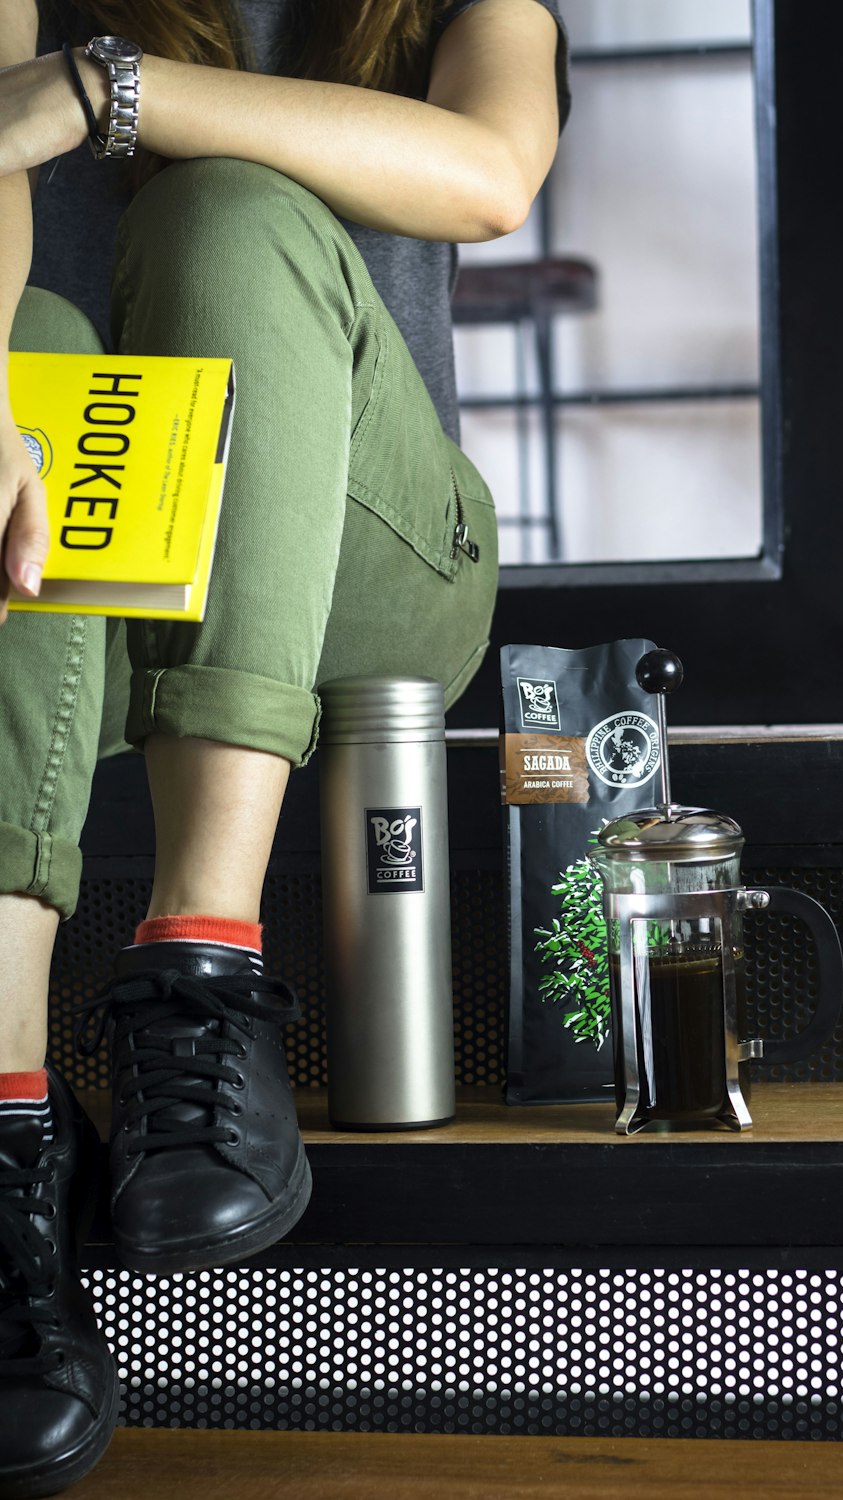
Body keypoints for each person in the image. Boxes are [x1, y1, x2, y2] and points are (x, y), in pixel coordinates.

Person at [0, 0, 568, 1491]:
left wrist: (105, 92)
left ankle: (202, 968)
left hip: (372, 577)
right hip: (85, 571)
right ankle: (6, 1128)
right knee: (32, 351)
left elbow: (492, 177)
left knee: (232, 214)